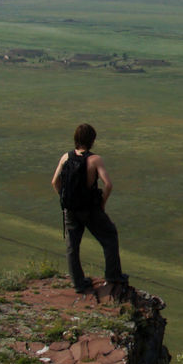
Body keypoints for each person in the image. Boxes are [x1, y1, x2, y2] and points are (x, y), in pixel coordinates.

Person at [51, 123, 127, 292]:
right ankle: (113, 276)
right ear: (92, 140)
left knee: (72, 246)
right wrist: (102, 204)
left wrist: (66, 200)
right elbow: (108, 185)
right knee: (109, 237)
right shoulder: (94, 160)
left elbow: (55, 182)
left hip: (70, 210)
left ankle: (78, 283)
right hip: (90, 209)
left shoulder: (65, 157)